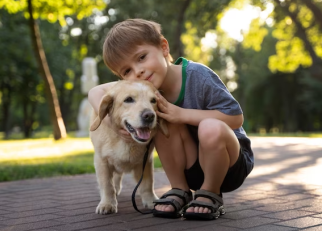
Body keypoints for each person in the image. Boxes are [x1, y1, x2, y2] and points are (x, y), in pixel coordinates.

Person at [88, 18, 254, 220]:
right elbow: (96, 92)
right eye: (127, 71)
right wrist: (111, 124)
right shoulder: (146, 92)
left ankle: (210, 193)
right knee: (159, 120)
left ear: (163, 47)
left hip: (230, 164)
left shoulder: (198, 75)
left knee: (209, 127)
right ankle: (180, 190)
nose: (137, 71)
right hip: (192, 166)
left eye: (141, 57)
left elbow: (236, 118)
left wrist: (182, 114)